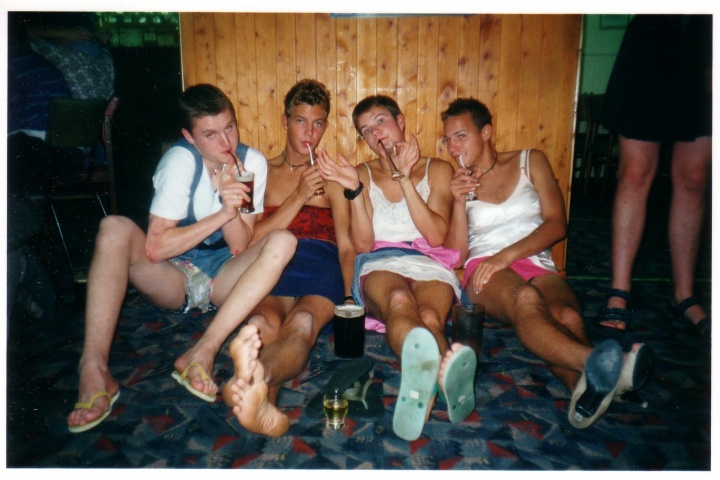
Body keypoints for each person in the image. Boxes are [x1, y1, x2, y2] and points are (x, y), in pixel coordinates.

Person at [66, 84, 297, 433]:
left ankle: (203, 350)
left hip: (225, 273)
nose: (226, 142)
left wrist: (232, 206)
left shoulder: (251, 164)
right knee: (113, 228)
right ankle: (94, 370)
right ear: (189, 136)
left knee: (284, 241)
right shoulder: (179, 162)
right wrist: (221, 213)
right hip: (173, 273)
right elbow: (156, 249)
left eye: (230, 127)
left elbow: (240, 245)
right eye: (210, 134)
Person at [441, 97, 656, 429]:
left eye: (460, 135)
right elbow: (456, 253)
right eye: (447, 139)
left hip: (534, 261)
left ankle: (583, 395)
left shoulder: (530, 160)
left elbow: (557, 224)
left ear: (485, 132)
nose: (453, 147)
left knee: (567, 315)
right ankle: (603, 363)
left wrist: (507, 256)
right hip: (484, 269)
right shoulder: (454, 183)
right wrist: (457, 202)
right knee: (526, 299)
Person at [316, 95, 477, 441]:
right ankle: (444, 376)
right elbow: (362, 244)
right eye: (366, 130)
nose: (375, 133)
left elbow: (436, 236)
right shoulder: (359, 173)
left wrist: (404, 178)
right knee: (400, 302)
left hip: (429, 261)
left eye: (380, 121)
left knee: (431, 317)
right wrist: (354, 190)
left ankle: (426, 385)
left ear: (400, 121)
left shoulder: (438, 169)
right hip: (379, 262)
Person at [222, 79, 355, 437]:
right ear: (284, 121)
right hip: (272, 262)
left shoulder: (333, 180)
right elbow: (248, 240)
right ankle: (261, 397)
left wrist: (347, 297)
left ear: (325, 126)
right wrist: (298, 195)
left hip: (321, 262)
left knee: (302, 324)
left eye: (317, 123)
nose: (309, 132)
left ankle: (256, 380)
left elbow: (346, 246)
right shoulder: (260, 173)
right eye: (300, 121)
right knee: (262, 324)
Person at [599, 15, 711, 337]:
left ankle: (684, 295)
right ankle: (619, 290)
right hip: (652, 38)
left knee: (694, 179)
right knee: (635, 174)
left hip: (704, 37)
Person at [25, 12, 115, 101]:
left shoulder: (64, 55)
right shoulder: (106, 56)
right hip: (99, 109)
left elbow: (25, 34)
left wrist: (60, 33)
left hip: (78, 109)